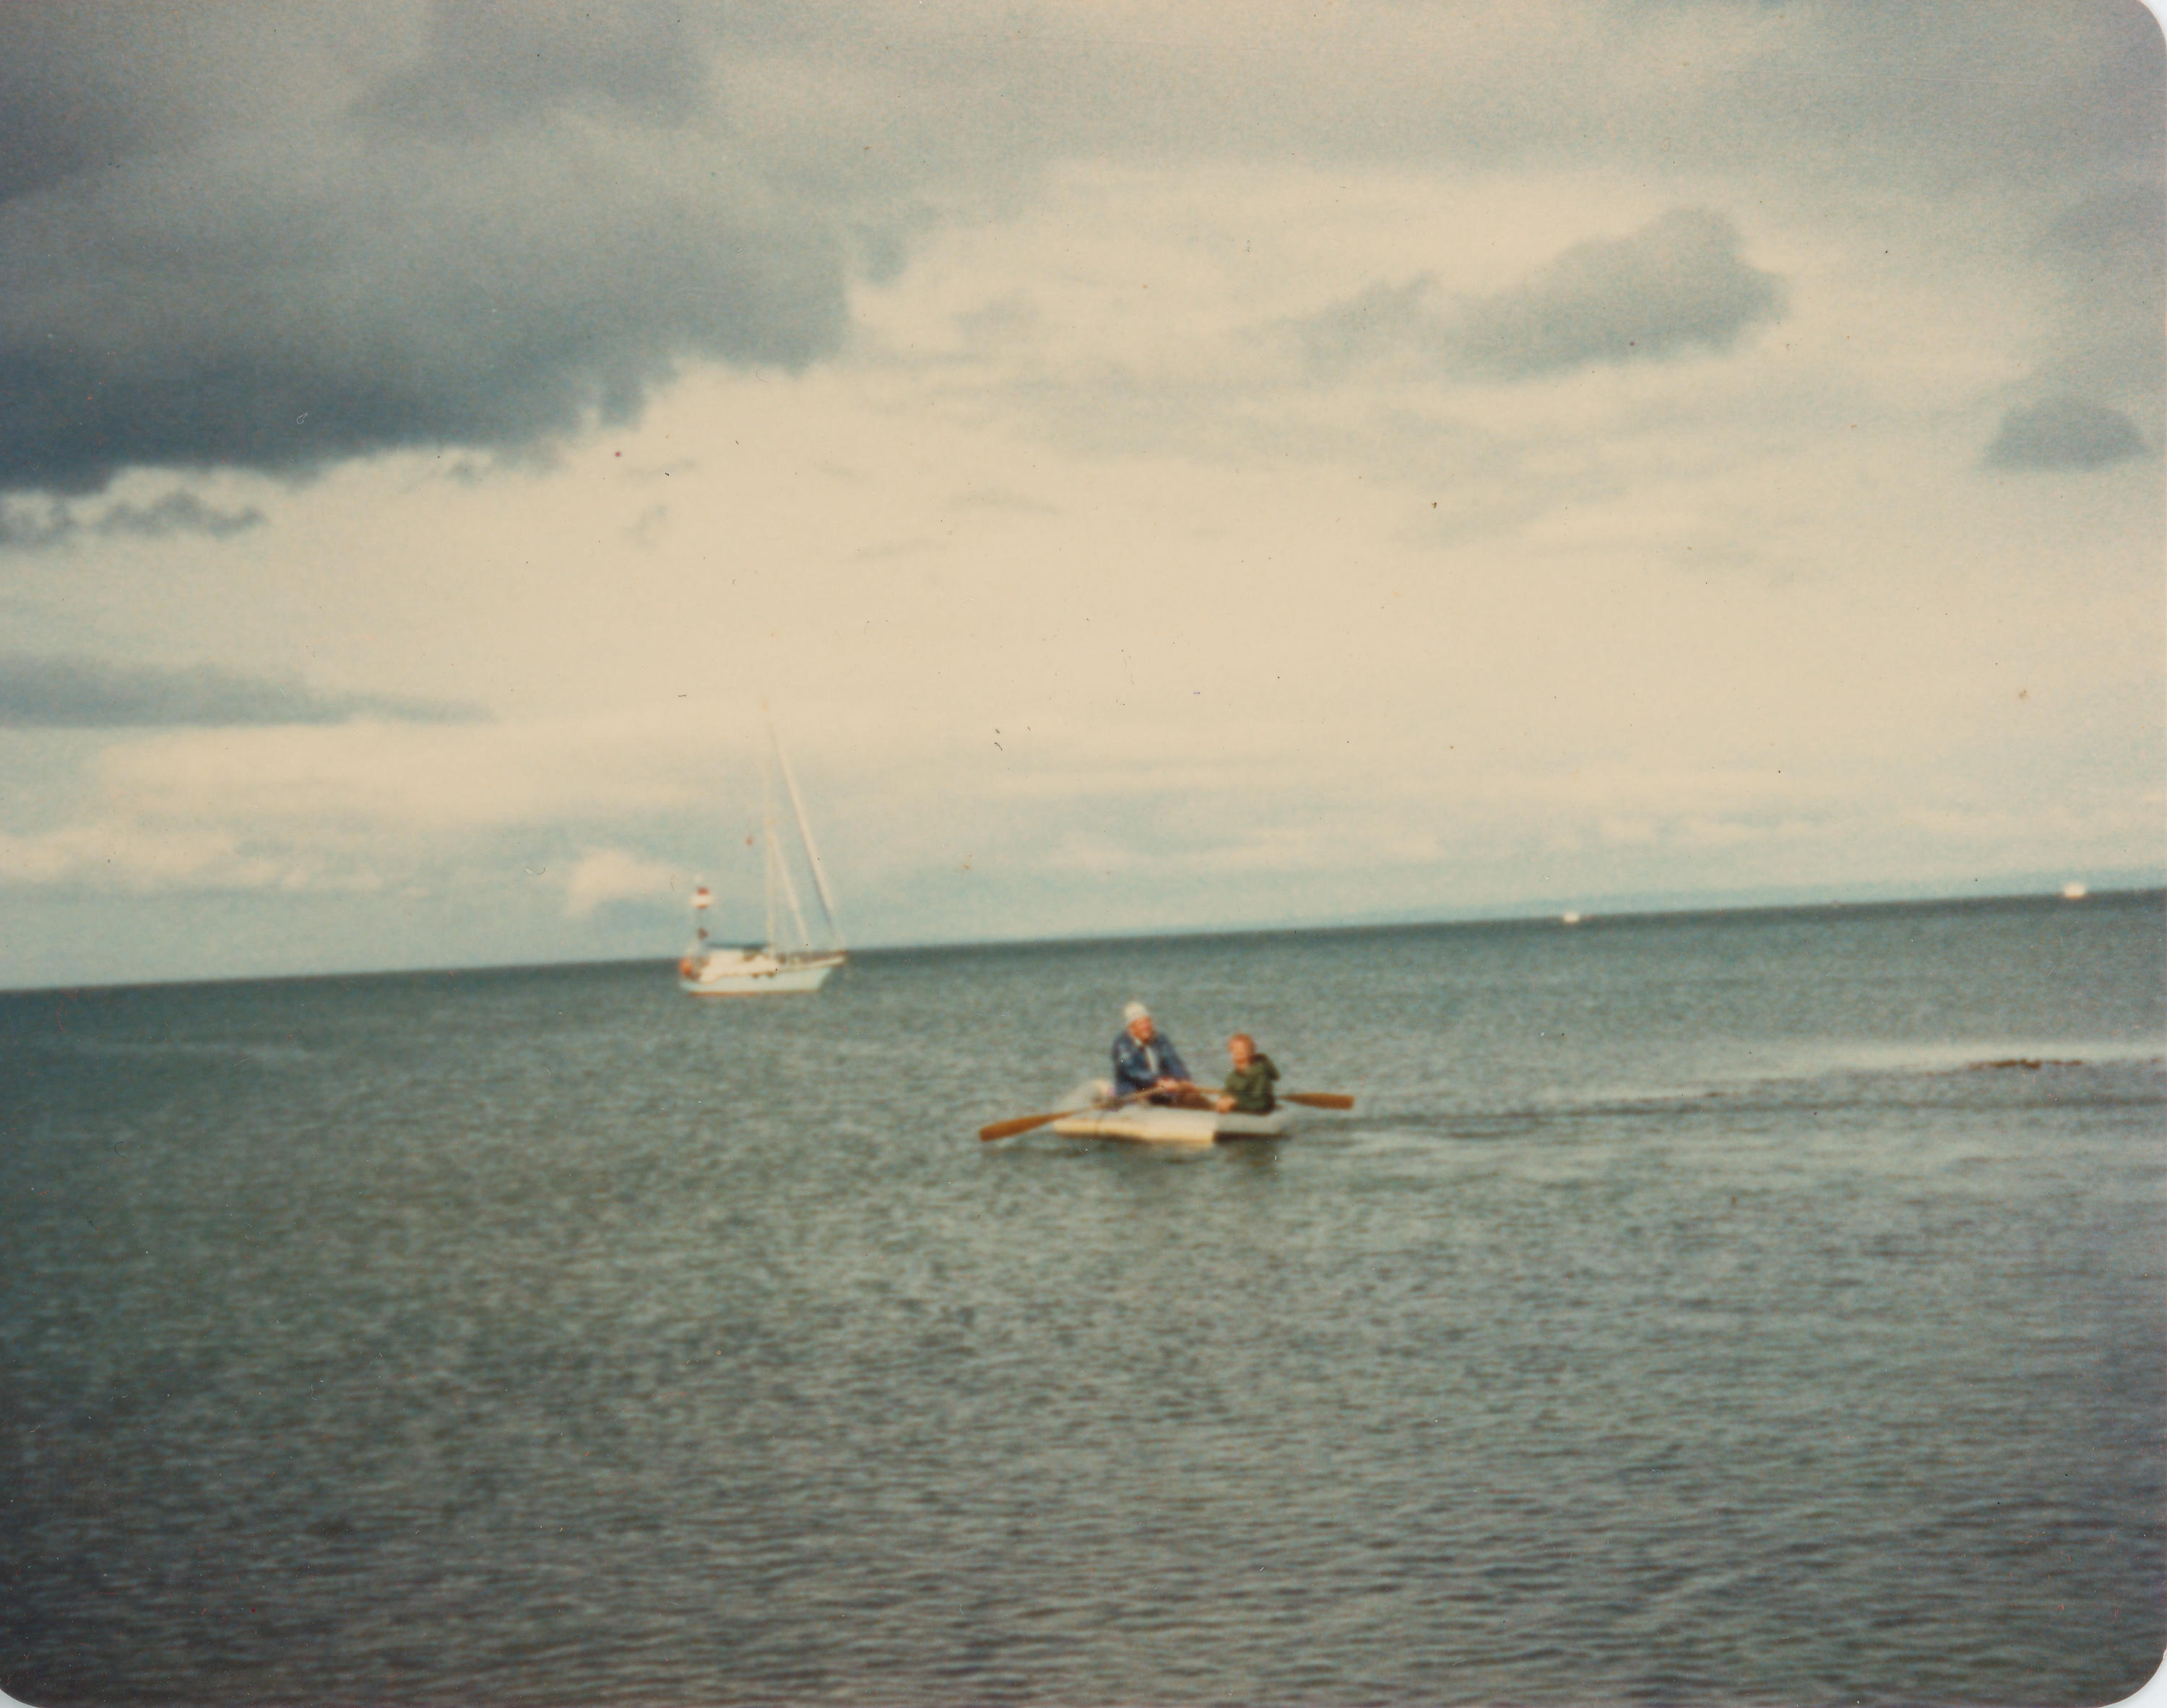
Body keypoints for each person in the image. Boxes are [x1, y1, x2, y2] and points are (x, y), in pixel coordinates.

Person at [1111, 1001, 1192, 1102]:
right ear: (1132, 1028)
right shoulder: (1122, 1045)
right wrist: (1158, 1082)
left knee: (1190, 1097)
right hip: (1133, 1093)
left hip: (1160, 1091)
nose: (1146, 1027)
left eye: (1148, 1022)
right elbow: (1133, 1070)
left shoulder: (1160, 1040)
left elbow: (1173, 1062)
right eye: (1141, 1024)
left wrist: (1183, 1080)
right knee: (1141, 1102)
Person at [1216, 1032, 1279, 1115]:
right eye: (1234, 1050)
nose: (1237, 1053)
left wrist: (1235, 1102)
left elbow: (1261, 1103)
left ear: (1250, 1052)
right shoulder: (1233, 1076)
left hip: (1260, 1115)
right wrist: (1223, 1100)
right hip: (1241, 1114)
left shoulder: (1260, 1074)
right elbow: (1227, 1092)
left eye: (1241, 1051)